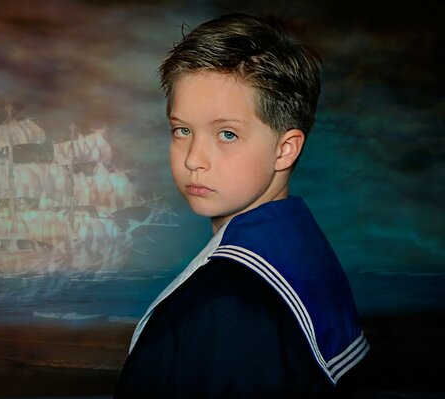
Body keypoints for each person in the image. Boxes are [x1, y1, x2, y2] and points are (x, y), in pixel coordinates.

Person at [114, 13, 369, 399]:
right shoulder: (301, 243)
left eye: (227, 134)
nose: (193, 159)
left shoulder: (226, 306)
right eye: (182, 130)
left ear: (285, 149)